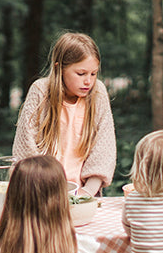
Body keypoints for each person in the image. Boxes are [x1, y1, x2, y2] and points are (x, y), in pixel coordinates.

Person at [13, 33, 116, 198]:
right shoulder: (40, 91)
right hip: (40, 193)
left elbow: (104, 147)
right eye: (81, 73)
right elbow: (26, 148)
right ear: (59, 68)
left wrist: (88, 191)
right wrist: (44, 189)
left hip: (84, 195)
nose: (88, 81)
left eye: (93, 74)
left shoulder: (98, 93)